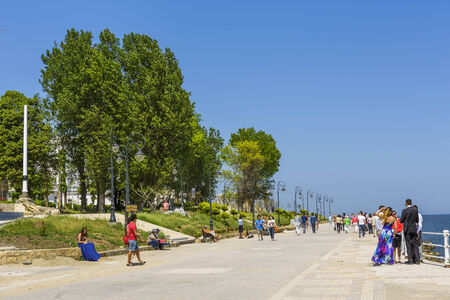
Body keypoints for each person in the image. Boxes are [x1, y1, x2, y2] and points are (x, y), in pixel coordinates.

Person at [400, 199, 420, 264]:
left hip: (407, 229)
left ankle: (410, 260)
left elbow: (401, 220)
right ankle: (417, 260)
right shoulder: (415, 210)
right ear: (411, 203)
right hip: (414, 229)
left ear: (406, 204)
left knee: (408, 244)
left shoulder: (404, 211)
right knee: (415, 244)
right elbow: (417, 220)